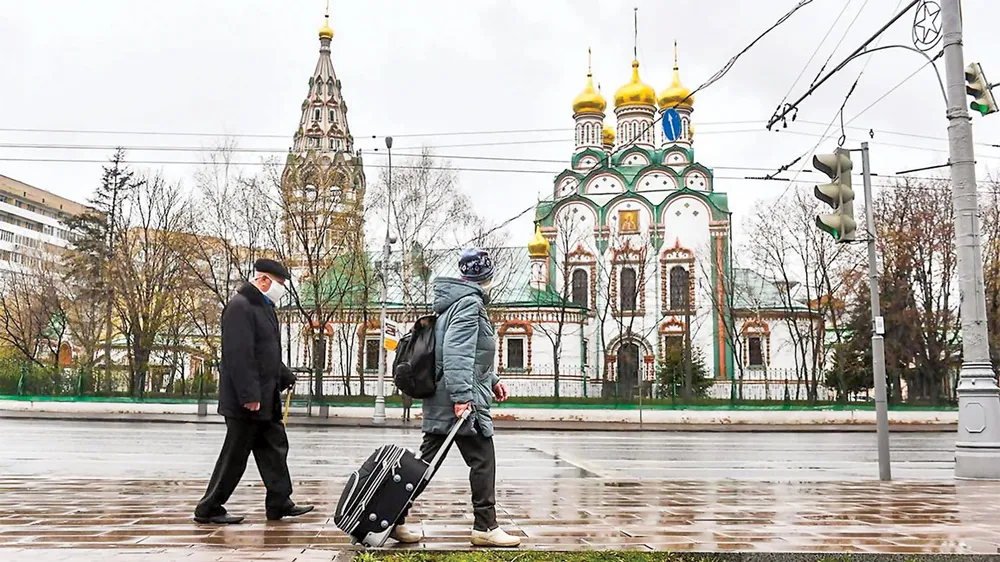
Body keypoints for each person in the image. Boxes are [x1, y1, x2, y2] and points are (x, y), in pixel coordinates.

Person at [392, 249, 521, 548]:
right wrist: (463, 397)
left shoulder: (452, 304)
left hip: (444, 397)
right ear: (486, 276)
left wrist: (492, 380)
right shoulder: (469, 304)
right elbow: (456, 353)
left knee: (425, 464)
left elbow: (468, 353)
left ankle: (392, 516)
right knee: (483, 460)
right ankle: (485, 527)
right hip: (459, 401)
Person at [194, 259, 313, 525]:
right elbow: (239, 355)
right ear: (263, 280)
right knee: (235, 456)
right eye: (280, 283)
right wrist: (249, 396)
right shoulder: (240, 307)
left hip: (266, 398)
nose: (282, 289)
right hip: (246, 402)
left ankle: (279, 502)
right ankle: (208, 508)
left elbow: (265, 353)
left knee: (275, 449)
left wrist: (284, 375)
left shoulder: (263, 308)